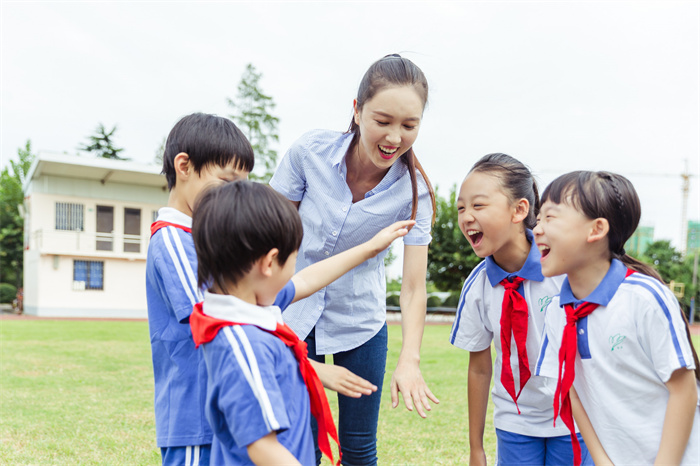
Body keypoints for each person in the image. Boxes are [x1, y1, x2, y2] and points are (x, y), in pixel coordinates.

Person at [146, 113, 377, 466]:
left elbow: (297, 284)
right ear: (184, 166)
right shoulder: (174, 241)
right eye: (227, 181)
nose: (235, 194)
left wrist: (369, 247)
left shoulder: (231, 265)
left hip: (231, 410)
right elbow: (212, 326)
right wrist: (311, 368)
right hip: (196, 421)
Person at [270, 53, 439, 464]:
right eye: (383, 120)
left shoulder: (414, 194)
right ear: (358, 111)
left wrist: (410, 359)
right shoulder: (310, 152)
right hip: (292, 311)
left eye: (409, 125)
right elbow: (268, 236)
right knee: (300, 443)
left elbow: (414, 288)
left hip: (360, 321)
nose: (395, 137)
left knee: (359, 450)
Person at [188, 181, 414, 465]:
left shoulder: (249, 305)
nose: (296, 269)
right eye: (295, 258)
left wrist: (369, 248)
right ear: (270, 263)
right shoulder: (244, 344)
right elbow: (262, 447)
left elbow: (307, 280)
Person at [533, 171, 700, 465]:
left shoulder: (644, 297)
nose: (536, 229)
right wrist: (602, 459)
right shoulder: (557, 310)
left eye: (550, 217)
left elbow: (684, 389)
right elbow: (573, 392)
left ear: (596, 229)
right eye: (538, 218)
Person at [449, 153, 591, 466]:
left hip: (575, 417)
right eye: (461, 207)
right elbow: (480, 367)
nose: (466, 216)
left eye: (479, 205)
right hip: (514, 420)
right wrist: (476, 448)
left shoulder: (563, 270)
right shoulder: (478, 286)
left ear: (519, 210)